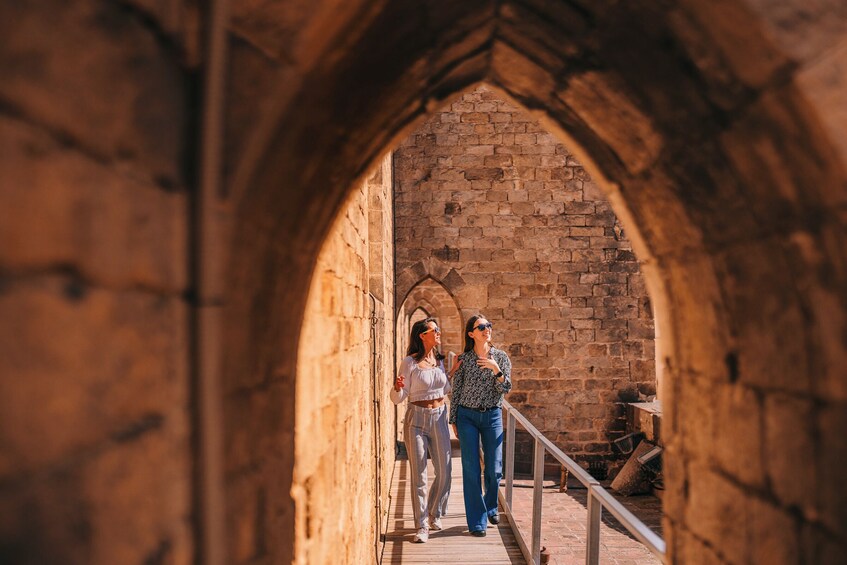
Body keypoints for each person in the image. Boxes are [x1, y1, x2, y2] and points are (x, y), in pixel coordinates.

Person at [390, 318, 457, 543]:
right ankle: (421, 525)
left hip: (439, 417)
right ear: (422, 335)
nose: (438, 332)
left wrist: (452, 372)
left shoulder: (438, 360)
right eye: (434, 330)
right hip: (416, 419)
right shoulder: (409, 362)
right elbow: (398, 398)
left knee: (445, 470)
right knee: (419, 475)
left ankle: (434, 511)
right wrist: (397, 387)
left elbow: (445, 389)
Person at [449, 314, 512, 537]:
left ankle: (491, 506)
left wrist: (496, 370)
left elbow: (506, 389)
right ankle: (477, 521)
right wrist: (453, 418)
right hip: (467, 417)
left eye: (489, 325)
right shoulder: (465, 359)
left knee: (494, 470)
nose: (487, 329)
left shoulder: (501, 358)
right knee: (471, 469)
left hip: (492, 416)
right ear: (471, 333)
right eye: (482, 327)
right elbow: (456, 390)